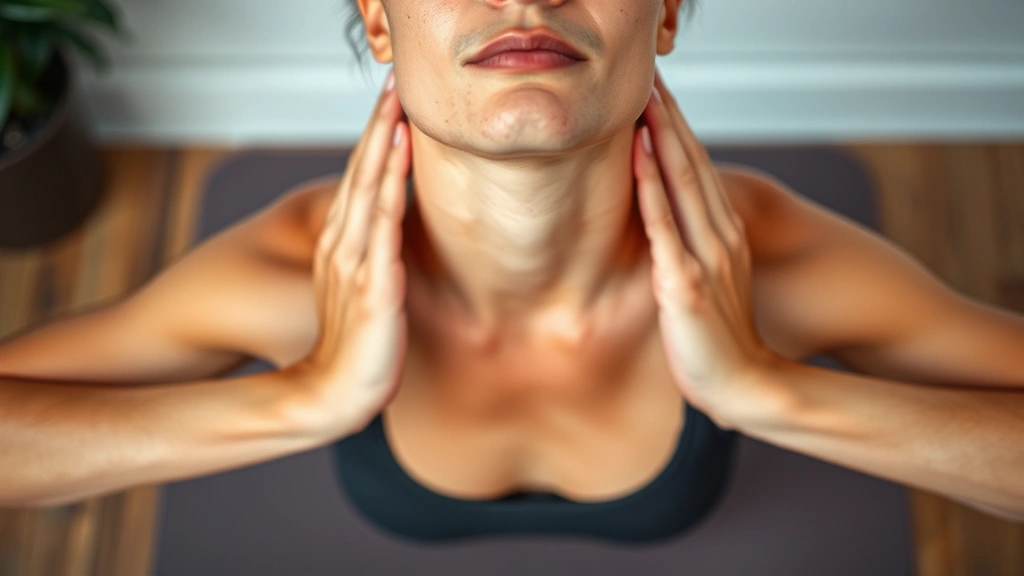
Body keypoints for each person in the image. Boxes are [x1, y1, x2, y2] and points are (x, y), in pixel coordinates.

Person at [0, 0, 1022, 542]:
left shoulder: (775, 262)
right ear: (379, 18)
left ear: (662, 14)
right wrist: (299, 402)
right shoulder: (286, 275)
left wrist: (772, 390)